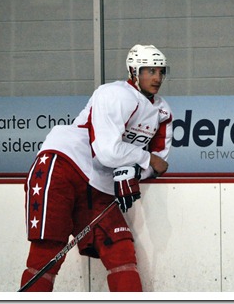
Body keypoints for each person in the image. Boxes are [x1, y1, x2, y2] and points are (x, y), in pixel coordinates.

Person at [20, 44, 173, 292]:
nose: (157, 77)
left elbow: (159, 163)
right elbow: (108, 150)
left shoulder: (163, 112)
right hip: (63, 165)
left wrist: (136, 170)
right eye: (149, 71)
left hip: (100, 182)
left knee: (121, 250)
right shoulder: (113, 94)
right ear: (135, 72)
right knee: (47, 253)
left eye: (160, 71)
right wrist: (143, 161)